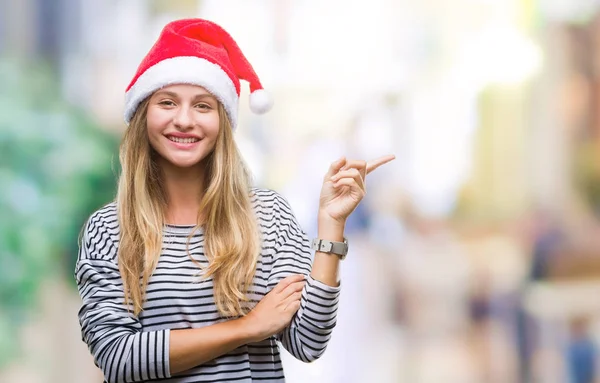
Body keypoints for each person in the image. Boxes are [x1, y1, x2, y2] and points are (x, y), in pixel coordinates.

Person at [75, 18, 394, 383]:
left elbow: (308, 342)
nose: (183, 120)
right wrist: (246, 328)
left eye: (202, 106)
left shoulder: (268, 216)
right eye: (167, 102)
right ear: (143, 113)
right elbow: (117, 358)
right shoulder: (108, 229)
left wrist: (331, 225)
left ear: (222, 122)